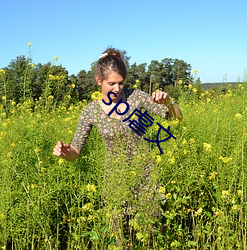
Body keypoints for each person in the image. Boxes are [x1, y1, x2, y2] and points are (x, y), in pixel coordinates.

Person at [53, 48, 182, 246]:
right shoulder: (91, 111)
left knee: (149, 235)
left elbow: (175, 118)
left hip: (145, 175)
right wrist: (65, 152)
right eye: (111, 83)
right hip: (115, 180)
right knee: (119, 237)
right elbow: (76, 151)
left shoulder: (136, 97)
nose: (116, 88)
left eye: (120, 83)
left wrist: (169, 101)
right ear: (99, 81)